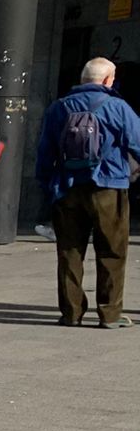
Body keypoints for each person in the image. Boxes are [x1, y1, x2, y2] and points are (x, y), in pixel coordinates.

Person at [36, 57, 140, 328]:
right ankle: (110, 315)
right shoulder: (117, 107)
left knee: (69, 252)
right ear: (107, 80)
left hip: (67, 188)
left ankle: (71, 313)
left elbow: (45, 151)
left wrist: (49, 184)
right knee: (112, 252)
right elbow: (138, 142)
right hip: (109, 187)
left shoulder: (59, 108)